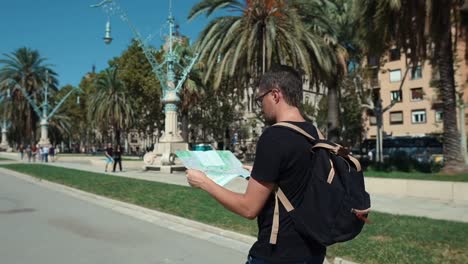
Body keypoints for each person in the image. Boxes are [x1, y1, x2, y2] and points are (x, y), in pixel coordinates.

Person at [186, 65, 325, 264]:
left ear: (275, 95)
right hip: (313, 252)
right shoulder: (315, 134)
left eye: (260, 99)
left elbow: (248, 208)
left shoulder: (274, 137)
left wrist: (204, 182)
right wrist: (262, 173)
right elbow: (297, 178)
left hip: (278, 255)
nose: (260, 105)